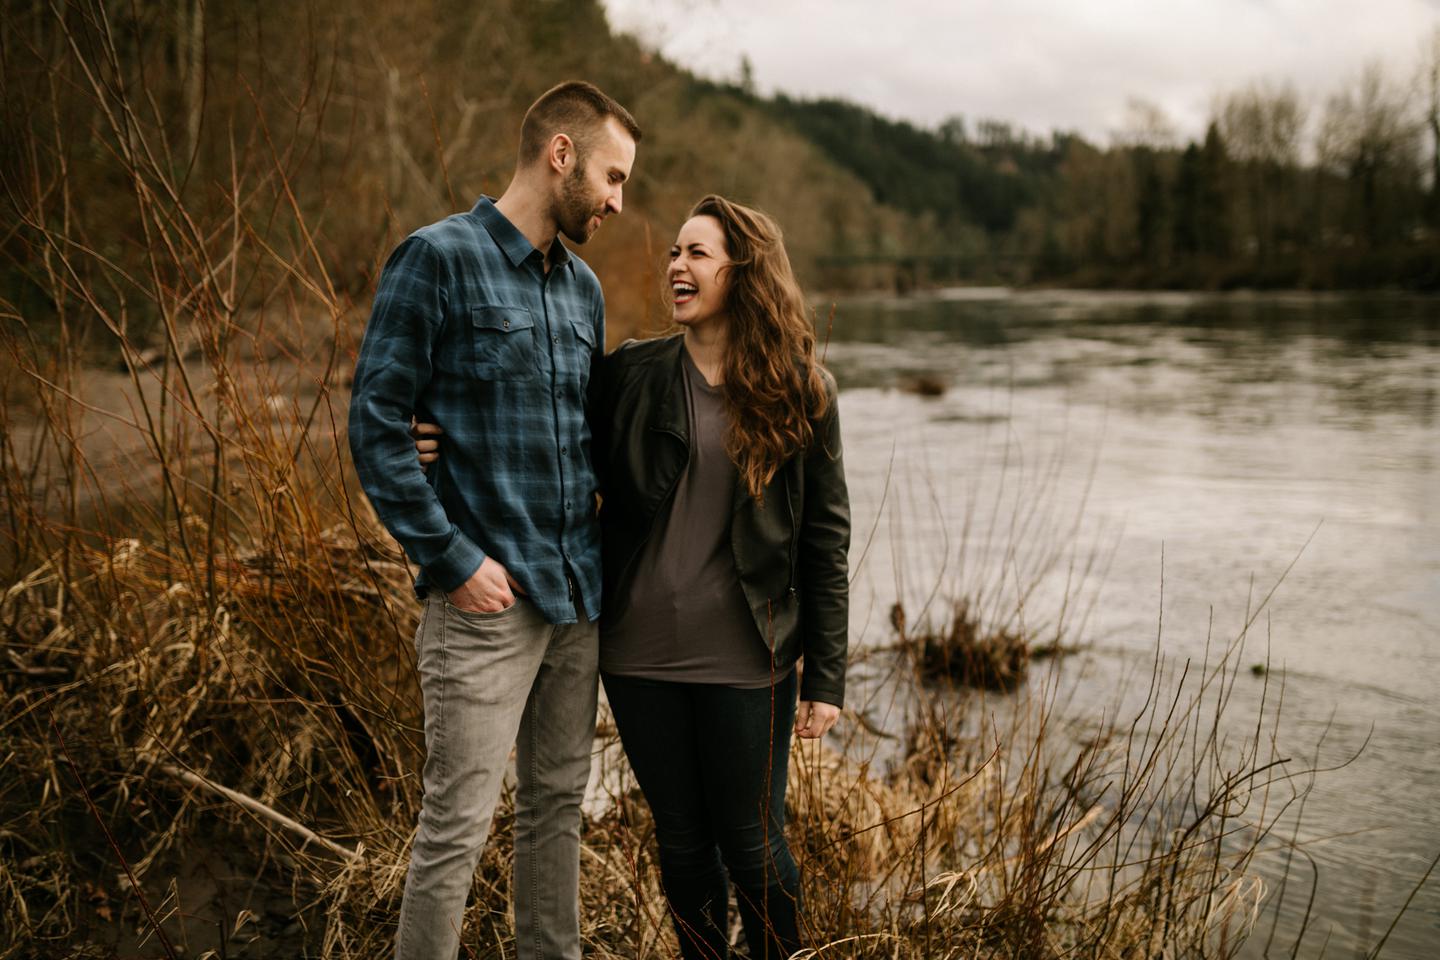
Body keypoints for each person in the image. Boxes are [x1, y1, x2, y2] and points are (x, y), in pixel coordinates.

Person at [416, 194, 850, 959]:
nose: (675, 267)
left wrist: (829, 676)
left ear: (743, 275)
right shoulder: (631, 375)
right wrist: (439, 430)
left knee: (752, 845)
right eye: (675, 253)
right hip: (638, 652)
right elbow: (540, 422)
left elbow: (825, 537)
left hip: (751, 656)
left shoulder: (802, 391)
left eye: (697, 254)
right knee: (682, 843)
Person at [348, 80, 639, 960]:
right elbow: (375, 424)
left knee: (555, 812)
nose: (620, 202)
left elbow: (588, 438)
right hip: (483, 603)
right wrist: (447, 556)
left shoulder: (583, 290)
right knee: (456, 826)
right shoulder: (436, 259)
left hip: (574, 598)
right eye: (613, 177)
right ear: (560, 154)